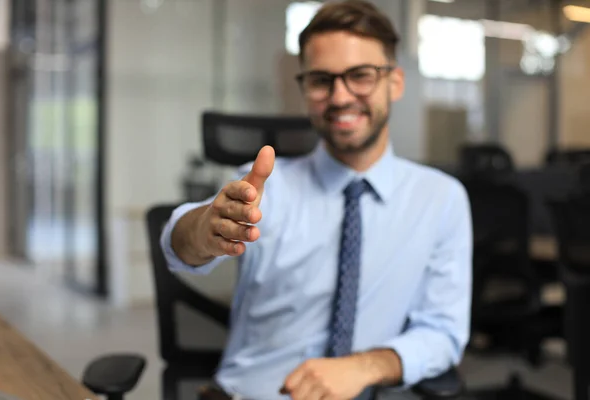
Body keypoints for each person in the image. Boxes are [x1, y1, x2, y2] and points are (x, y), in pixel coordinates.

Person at [161, 1, 472, 399]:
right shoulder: (266, 187)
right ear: (305, 88)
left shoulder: (441, 200)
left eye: (360, 76)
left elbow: (443, 333)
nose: (340, 97)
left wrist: (363, 367)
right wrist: (203, 231)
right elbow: (179, 243)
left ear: (395, 82)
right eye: (322, 80)